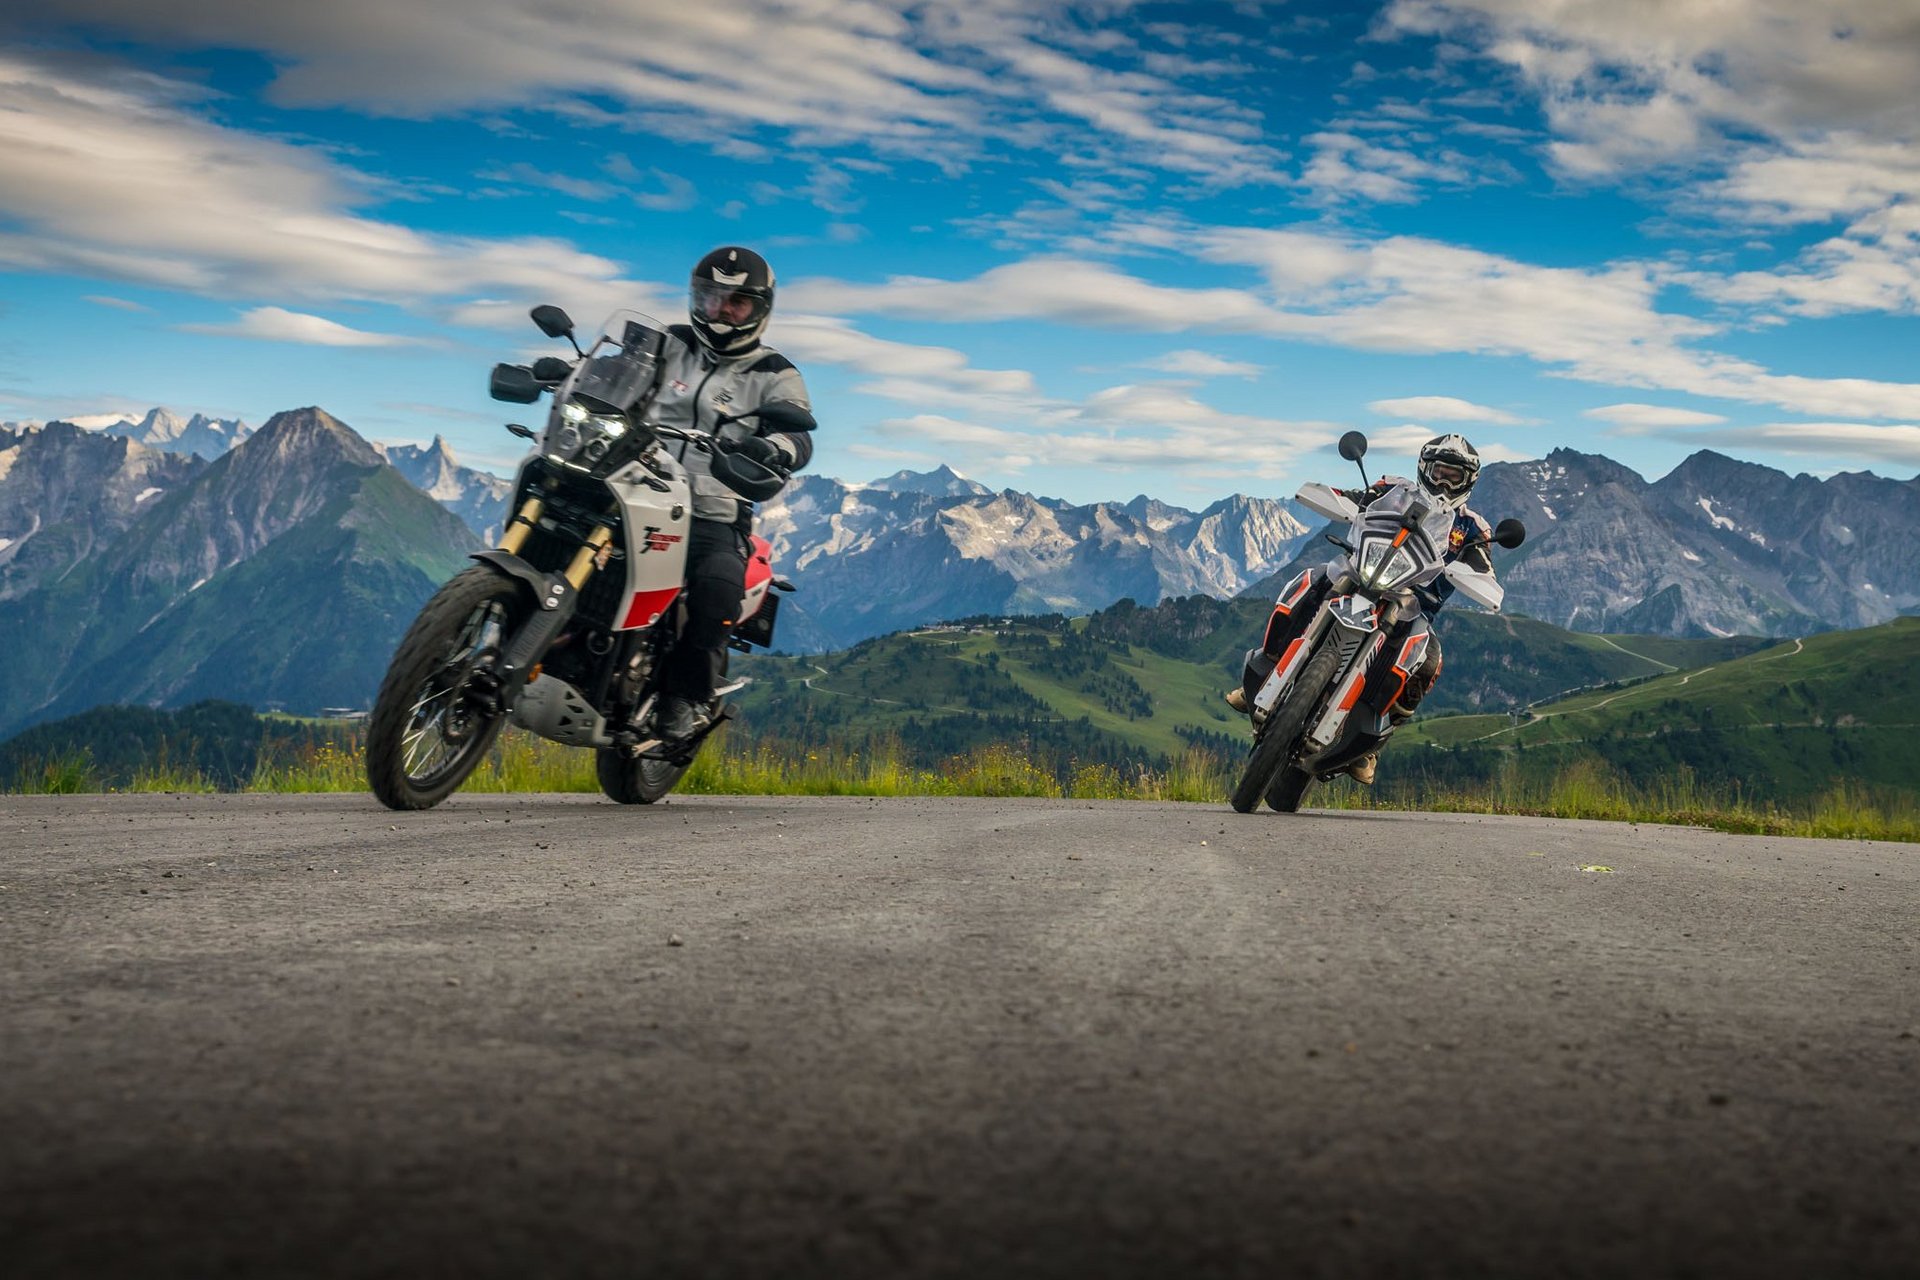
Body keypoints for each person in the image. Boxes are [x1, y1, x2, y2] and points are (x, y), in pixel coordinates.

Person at [1227, 434, 1493, 785]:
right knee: (1309, 581)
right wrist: (1334, 499)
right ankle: (1270, 662)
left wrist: (1474, 575)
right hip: (1358, 572)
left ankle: (1371, 746)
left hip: (1413, 605)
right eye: (1439, 471)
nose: (1444, 481)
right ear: (1424, 468)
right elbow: (1354, 499)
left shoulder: (1473, 528)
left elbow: (1484, 569)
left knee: (1429, 662)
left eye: (1453, 476)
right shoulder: (1392, 489)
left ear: (1468, 481)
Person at [650, 246, 814, 744]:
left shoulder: (776, 373)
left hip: (711, 510)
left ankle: (684, 696)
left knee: (716, 586)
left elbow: (799, 435)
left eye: (735, 302)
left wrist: (773, 446)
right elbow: (612, 375)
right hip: (631, 484)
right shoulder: (665, 342)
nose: (720, 310)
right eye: (709, 297)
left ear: (758, 309)